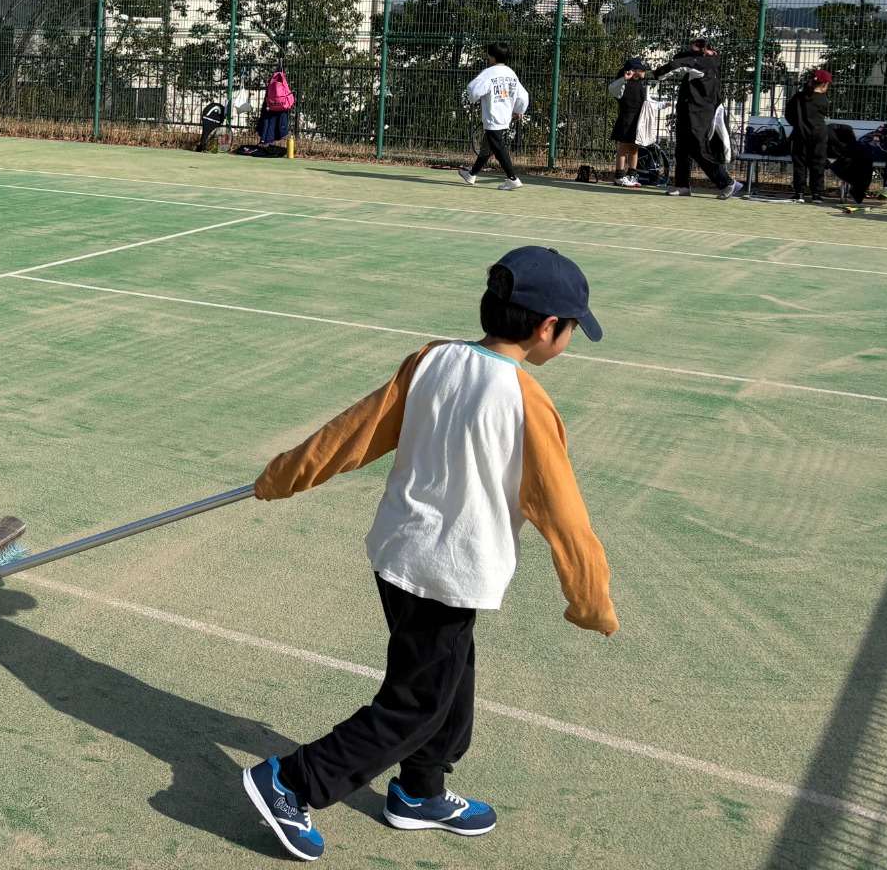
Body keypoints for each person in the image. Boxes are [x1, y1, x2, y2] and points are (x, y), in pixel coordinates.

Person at [240, 247, 618, 860]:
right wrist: (590, 599)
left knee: (449, 683)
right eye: (573, 327)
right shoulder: (526, 399)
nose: (570, 337)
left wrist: (285, 474)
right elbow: (563, 514)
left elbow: (356, 431)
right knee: (416, 704)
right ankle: (291, 780)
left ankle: (419, 790)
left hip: (399, 554)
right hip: (448, 571)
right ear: (549, 328)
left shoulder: (433, 358)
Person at [651, 39, 741, 200]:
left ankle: (727, 182)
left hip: (699, 114)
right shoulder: (704, 61)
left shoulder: (705, 63)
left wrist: (653, 74)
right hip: (688, 110)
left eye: (701, 48)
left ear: (710, 51)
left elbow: (677, 64)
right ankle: (682, 185)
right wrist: (695, 50)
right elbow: (680, 57)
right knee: (682, 149)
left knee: (699, 149)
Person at [457, 45, 528, 191]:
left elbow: (473, 90)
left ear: (493, 57)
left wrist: (472, 99)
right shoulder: (511, 73)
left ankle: (512, 178)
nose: (487, 58)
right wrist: (519, 110)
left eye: (488, 55)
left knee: (498, 147)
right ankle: (471, 174)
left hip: (492, 116)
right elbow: (523, 95)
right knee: (487, 146)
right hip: (505, 115)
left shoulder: (488, 73)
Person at [783, 69, 833, 204]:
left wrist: (797, 124)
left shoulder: (798, 97)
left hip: (800, 134)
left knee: (800, 164)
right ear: (824, 85)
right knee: (818, 163)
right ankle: (817, 194)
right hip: (819, 135)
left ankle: (799, 192)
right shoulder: (823, 100)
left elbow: (788, 114)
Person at [606, 58, 656, 187]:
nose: (641, 72)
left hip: (638, 121)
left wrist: (664, 104)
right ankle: (619, 176)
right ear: (630, 70)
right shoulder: (622, 83)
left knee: (634, 149)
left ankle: (632, 176)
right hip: (625, 119)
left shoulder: (642, 85)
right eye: (638, 69)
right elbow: (612, 89)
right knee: (623, 148)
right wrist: (624, 78)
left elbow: (649, 102)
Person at [259, 70, 296, 149]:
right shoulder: (281, 81)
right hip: (280, 105)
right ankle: (270, 140)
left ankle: (266, 141)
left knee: (270, 121)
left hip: (272, 105)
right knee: (275, 120)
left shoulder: (272, 82)